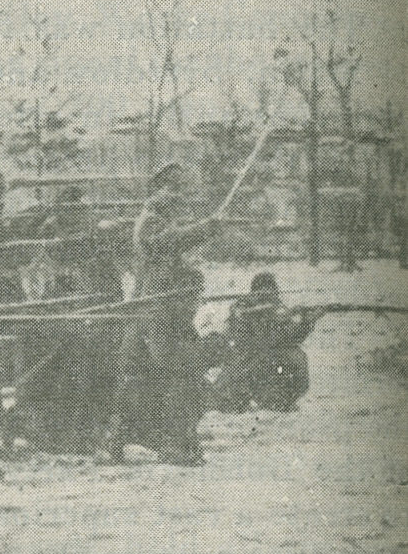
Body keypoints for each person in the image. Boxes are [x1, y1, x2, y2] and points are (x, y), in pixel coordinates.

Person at [114, 162, 221, 466]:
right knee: (179, 374)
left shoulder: (169, 220)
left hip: (172, 310)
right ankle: (174, 443)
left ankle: (162, 439)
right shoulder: (150, 220)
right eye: (172, 189)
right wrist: (203, 230)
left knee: (154, 378)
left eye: (180, 190)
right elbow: (163, 244)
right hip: (156, 311)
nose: (178, 196)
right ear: (158, 189)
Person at [214, 272, 320, 413]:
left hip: (269, 369)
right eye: (263, 292)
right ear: (254, 293)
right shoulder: (242, 310)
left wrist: (306, 322)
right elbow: (241, 339)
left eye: (271, 291)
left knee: (295, 356)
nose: (268, 296)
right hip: (246, 366)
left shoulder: (277, 311)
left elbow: (290, 338)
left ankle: (281, 399)